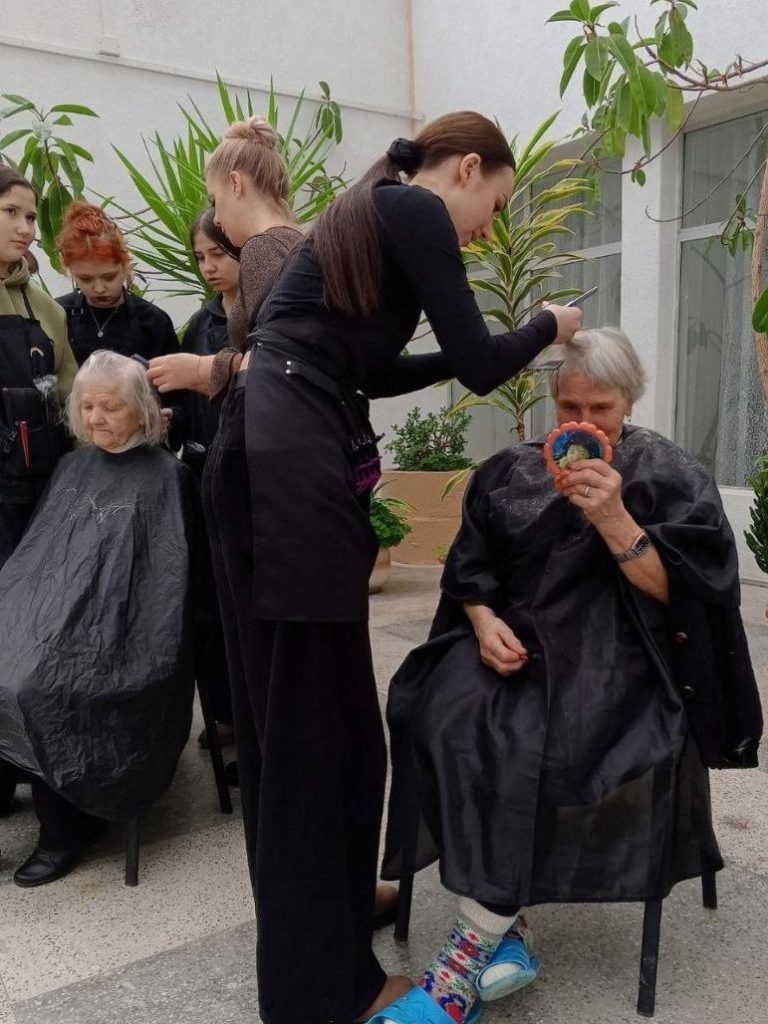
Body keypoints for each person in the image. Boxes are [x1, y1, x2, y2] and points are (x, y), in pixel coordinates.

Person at [201, 110, 583, 1024]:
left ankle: (332, 912)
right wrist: (549, 323)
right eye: (496, 205)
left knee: (325, 729)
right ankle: (321, 988)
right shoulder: (411, 208)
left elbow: (376, 370)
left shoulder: (375, 220)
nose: (488, 230)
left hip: (280, 457)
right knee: (312, 739)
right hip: (287, 473)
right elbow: (481, 365)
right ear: (467, 168)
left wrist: (510, 338)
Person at [376, 328, 763, 1024]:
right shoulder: (508, 470)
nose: (585, 423)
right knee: (441, 714)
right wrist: (483, 622)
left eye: (602, 409)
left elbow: (685, 594)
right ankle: (507, 927)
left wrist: (613, 517)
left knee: (534, 741)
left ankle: (470, 952)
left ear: (630, 401)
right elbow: (469, 570)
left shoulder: (671, 475)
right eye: (570, 408)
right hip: (517, 640)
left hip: (621, 653)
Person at [0, 350, 204, 886]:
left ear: (141, 409)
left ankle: (65, 832)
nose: (95, 418)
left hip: (121, 637)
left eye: (110, 407)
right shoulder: (72, 467)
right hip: (51, 620)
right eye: (87, 406)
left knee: (34, 689)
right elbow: (39, 561)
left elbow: (164, 589)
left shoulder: (167, 479)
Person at [0, 166, 77, 817]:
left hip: (37, 508)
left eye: (31, 216)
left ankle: (45, 786)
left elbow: (75, 403)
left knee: (30, 647)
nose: (28, 228)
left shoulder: (45, 309)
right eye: (12, 213)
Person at [146, 118, 302, 401]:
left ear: (235, 183)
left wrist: (198, 369)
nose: (216, 218)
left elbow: (274, 362)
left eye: (214, 200)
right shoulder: (297, 242)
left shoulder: (263, 248)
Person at [177, 207, 241, 750]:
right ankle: (224, 712)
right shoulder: (200, 324)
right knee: (211, 604)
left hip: (254, 477)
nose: (209, 267)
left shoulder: (270, 317)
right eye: (200, 257)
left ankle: (254, 717)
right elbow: (184, 403)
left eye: (218, 253)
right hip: (205, 476)